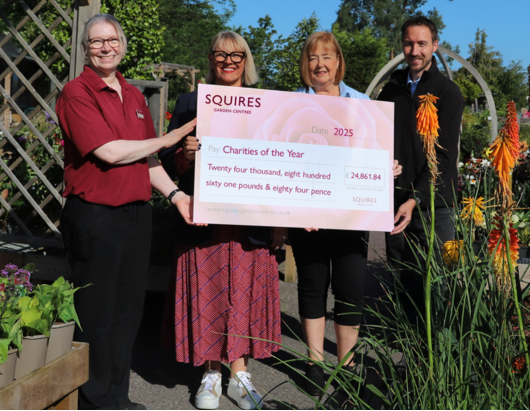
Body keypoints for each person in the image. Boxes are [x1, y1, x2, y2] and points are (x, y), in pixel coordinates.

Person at [57, 14, 199, 411]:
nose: (105, 47)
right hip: (96, 216)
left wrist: (176, 196)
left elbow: (146, 158)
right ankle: (93, 401)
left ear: (122, 45)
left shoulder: (134, 96)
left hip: (136, 217)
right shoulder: (76, 92)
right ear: (86, 49)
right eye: (96, 41)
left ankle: (117, 398)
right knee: (96, 315)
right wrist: (170, 138)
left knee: (127, 315)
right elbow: (109, 152)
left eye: (112, 40)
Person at [160, 31, 286, 411]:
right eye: (220, 54)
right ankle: (211, 373)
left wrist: (281, 222)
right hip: (205, 221)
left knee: (243, 295)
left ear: (246, 60)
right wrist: (185, 155)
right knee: (210, 294)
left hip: (251, 222)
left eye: (236, 55)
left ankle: (241, 375)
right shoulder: (190, 102)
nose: (228, 61)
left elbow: (280, 164)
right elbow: (168, 163)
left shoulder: (266, 105)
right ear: (210, 58)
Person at [289, 31, 403, 396]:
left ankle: (347, 364)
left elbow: (373, 152)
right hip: (307, 216)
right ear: (305, 64)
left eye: (327, 57)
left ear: (338, 61)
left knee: (350, 289)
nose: (319, 64)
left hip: (352, 216)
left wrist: (387, 167)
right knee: (312, 286)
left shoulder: (363, 104)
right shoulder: (290, 104)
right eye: (312, 57)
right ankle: (314, 362)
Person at [377, 16, 465, 318]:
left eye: (422, 44)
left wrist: (416, 198)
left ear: (435, 46)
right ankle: (407, 346)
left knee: (438, 283)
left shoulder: (448, 93)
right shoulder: (391, 91)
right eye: (409, 43)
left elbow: (443, 157)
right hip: (397, 199)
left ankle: (437, 346)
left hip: (435, 205)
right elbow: (376, 139)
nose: (415, 51)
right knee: (402, 279)